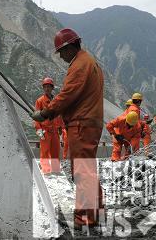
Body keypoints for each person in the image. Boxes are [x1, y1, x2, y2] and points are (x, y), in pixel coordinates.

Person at [31, 28, 104, 231]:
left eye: (62, 52)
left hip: (81, 123)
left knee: (82, 171)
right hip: (89, 122)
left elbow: (67, 94)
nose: (61, 56)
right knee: (88, 169)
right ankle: (95, 214)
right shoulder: (89, 62)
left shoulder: (80, 65)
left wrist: (46, 113)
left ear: (70, 47)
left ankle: (85, 220)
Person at [34, 77, 65, 174]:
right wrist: (39, 130)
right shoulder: (39, 101)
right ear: (43, 88)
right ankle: (46, 171)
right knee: (45, 152)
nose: (47, 88)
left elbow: (59, 115)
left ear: (52, 88)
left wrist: (61, 127)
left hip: (55, 131)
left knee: (55, 151)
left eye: (49, 87)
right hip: (45, 131)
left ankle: (55, 170)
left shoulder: (56, 101)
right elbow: (36, 117)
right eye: (45, 87)